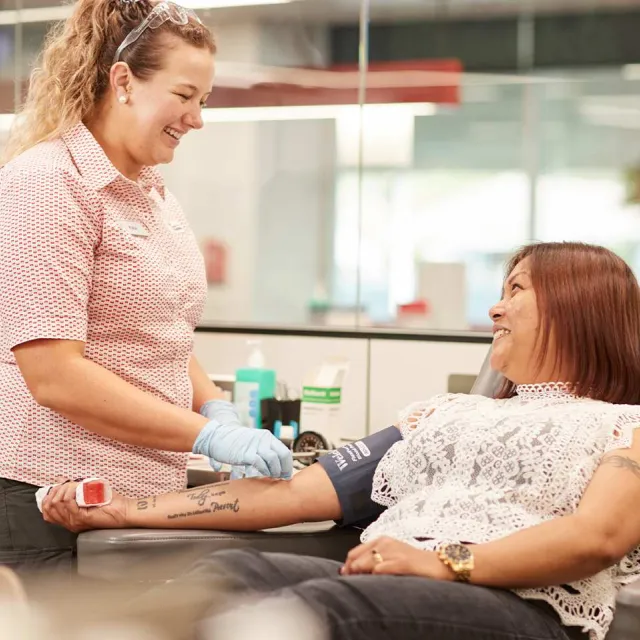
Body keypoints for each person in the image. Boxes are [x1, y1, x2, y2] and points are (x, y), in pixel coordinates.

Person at [43, 241, 640, 640]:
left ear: (576, 306)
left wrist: (444, 563)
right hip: (390, 584)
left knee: (313, 615)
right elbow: (296, 494)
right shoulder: (446, 413)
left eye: (516, 291)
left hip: (520, 605)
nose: (495, 308)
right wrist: (128, 509)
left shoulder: (625, 425)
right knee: (227, 574)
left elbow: (598, 537)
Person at [0, 0, 291, 572]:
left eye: (203, 101)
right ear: (123, 81)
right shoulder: (47, 186)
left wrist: (213, 404)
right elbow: (54, 374)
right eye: (184, 96)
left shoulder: (153, 190)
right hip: (45, 498)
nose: (198, 118)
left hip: (139, 492)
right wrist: (209, 436)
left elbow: (162, 332)